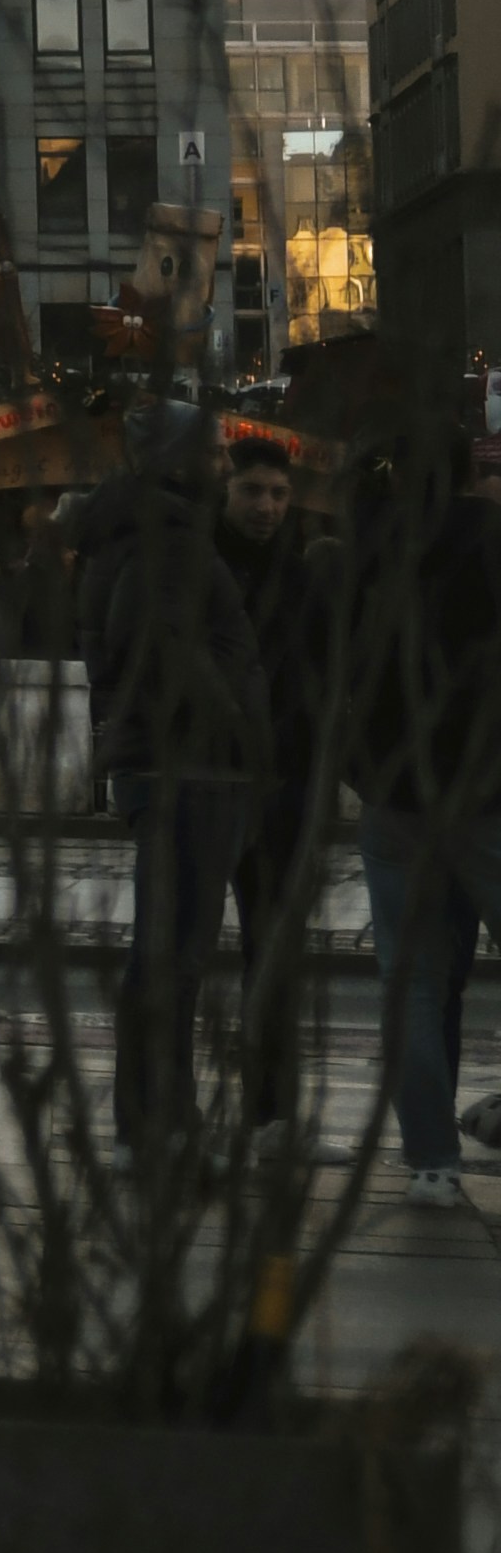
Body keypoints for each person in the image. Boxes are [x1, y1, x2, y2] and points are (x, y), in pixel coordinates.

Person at [73, 408, 330, 1146]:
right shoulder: (173, 542)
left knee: (174, 953)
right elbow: (165, 651)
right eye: (218, 456)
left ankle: (164, 1118)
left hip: (185, 764)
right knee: (173, 956)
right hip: (196, 767)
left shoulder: (138, 532)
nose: (223, 467)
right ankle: (158, 1121)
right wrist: (242, 732)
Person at [355, 417, 500, 1203]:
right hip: (488, 792)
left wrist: (362, 765)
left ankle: (431, 1162)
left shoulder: (366, 552)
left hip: (395, 795)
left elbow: (334, 664)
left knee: (409, 983)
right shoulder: (491, 542)